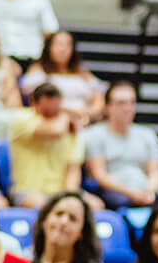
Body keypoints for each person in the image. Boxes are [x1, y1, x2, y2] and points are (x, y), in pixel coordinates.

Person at [9, 83, 104, 213]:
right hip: (28, 192)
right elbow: (56, 130)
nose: (52, 114)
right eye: (46, 110)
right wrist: (68, 115)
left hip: (60, 193)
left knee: (96, 205)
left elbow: (73, 170)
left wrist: (69, 198)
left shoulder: (70, 130)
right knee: (40, 204)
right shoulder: (22, 118)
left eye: (55, 108)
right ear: (34, 104)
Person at [80, 82, 158, 209]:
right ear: (107, 107)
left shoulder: (148, 135)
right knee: (117, 200)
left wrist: (148, 191)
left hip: (145, 192)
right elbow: (99, 174)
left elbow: (155, 173)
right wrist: (131, 193)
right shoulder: (93, 135)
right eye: (121, 103)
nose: (127, 108)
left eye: (132, 102)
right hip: (112, 194)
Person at [20, 31, 107, 131]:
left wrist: (87, 112)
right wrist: (75, 113)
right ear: (49, 47)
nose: (63, 49)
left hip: (87, 121)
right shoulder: (38, 70)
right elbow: (37, 102)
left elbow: (99, 99)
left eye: (68, 45)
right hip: (51, 124)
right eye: (59, 44)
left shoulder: (83, 73)